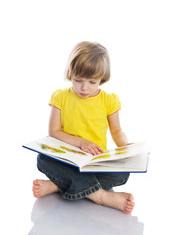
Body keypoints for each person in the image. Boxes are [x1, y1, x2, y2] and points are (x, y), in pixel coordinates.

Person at [32, 41, 135, 214]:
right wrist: (81, 142)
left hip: (93, 162)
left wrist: (125, 147)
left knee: (123, 173)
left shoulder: (109, 100)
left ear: (102, 78)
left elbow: (117, 131)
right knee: (42, 159)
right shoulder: (60, 97)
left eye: (92, 82)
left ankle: (57, 185)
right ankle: (101, 196)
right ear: (70, 74)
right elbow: (54, 132)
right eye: (78, 80)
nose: (84, 87)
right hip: (65, 159)